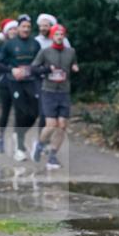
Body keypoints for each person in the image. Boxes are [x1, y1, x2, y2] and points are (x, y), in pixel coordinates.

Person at [0, 14, 41, 161]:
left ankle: (18, 134)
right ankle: (19, 149)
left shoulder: (35, 44)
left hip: (31, 81)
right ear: (18, 28)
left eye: (28, 27)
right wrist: (11, 70)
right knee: (21, 112)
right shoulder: (9, 44)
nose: (26, 29)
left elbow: (39, 64)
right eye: (23, 26)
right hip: (13, 82)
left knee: (34, 113)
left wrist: (35, 71)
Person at [30, 24, 79, 170]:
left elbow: (74, 63)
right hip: (48, 91)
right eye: (56, 34)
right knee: (51, 124)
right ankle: (39, 145)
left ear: (64, 36)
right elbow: (33, 68)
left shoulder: (71, 52)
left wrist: (75, 67)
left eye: (61, 34)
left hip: (64, 92)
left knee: (62, 125)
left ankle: (52, 155)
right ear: (52, 36)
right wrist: (46, 69)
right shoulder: (45, 52)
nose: (59, 37)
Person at [0, 19, 18, 153]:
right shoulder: (0, 45)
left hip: (20, 83)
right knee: (6, 111)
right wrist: (9, 69)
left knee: (20, 111)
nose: (13, 31)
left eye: (15, 29)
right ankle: (1, 138)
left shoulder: (22, 44)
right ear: (6, 32)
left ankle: (17, 138)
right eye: (10, 29)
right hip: (5, 82)